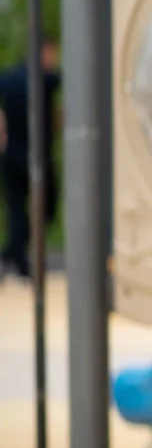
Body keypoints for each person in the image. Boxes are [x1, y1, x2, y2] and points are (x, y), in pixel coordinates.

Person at [0, 36, 61, 281]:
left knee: (18, 211)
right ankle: (15, 255)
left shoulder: (9, 77)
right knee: (45, 207)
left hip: (9, 154)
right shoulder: (45, 79)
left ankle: (13, 255)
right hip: (35, 157)